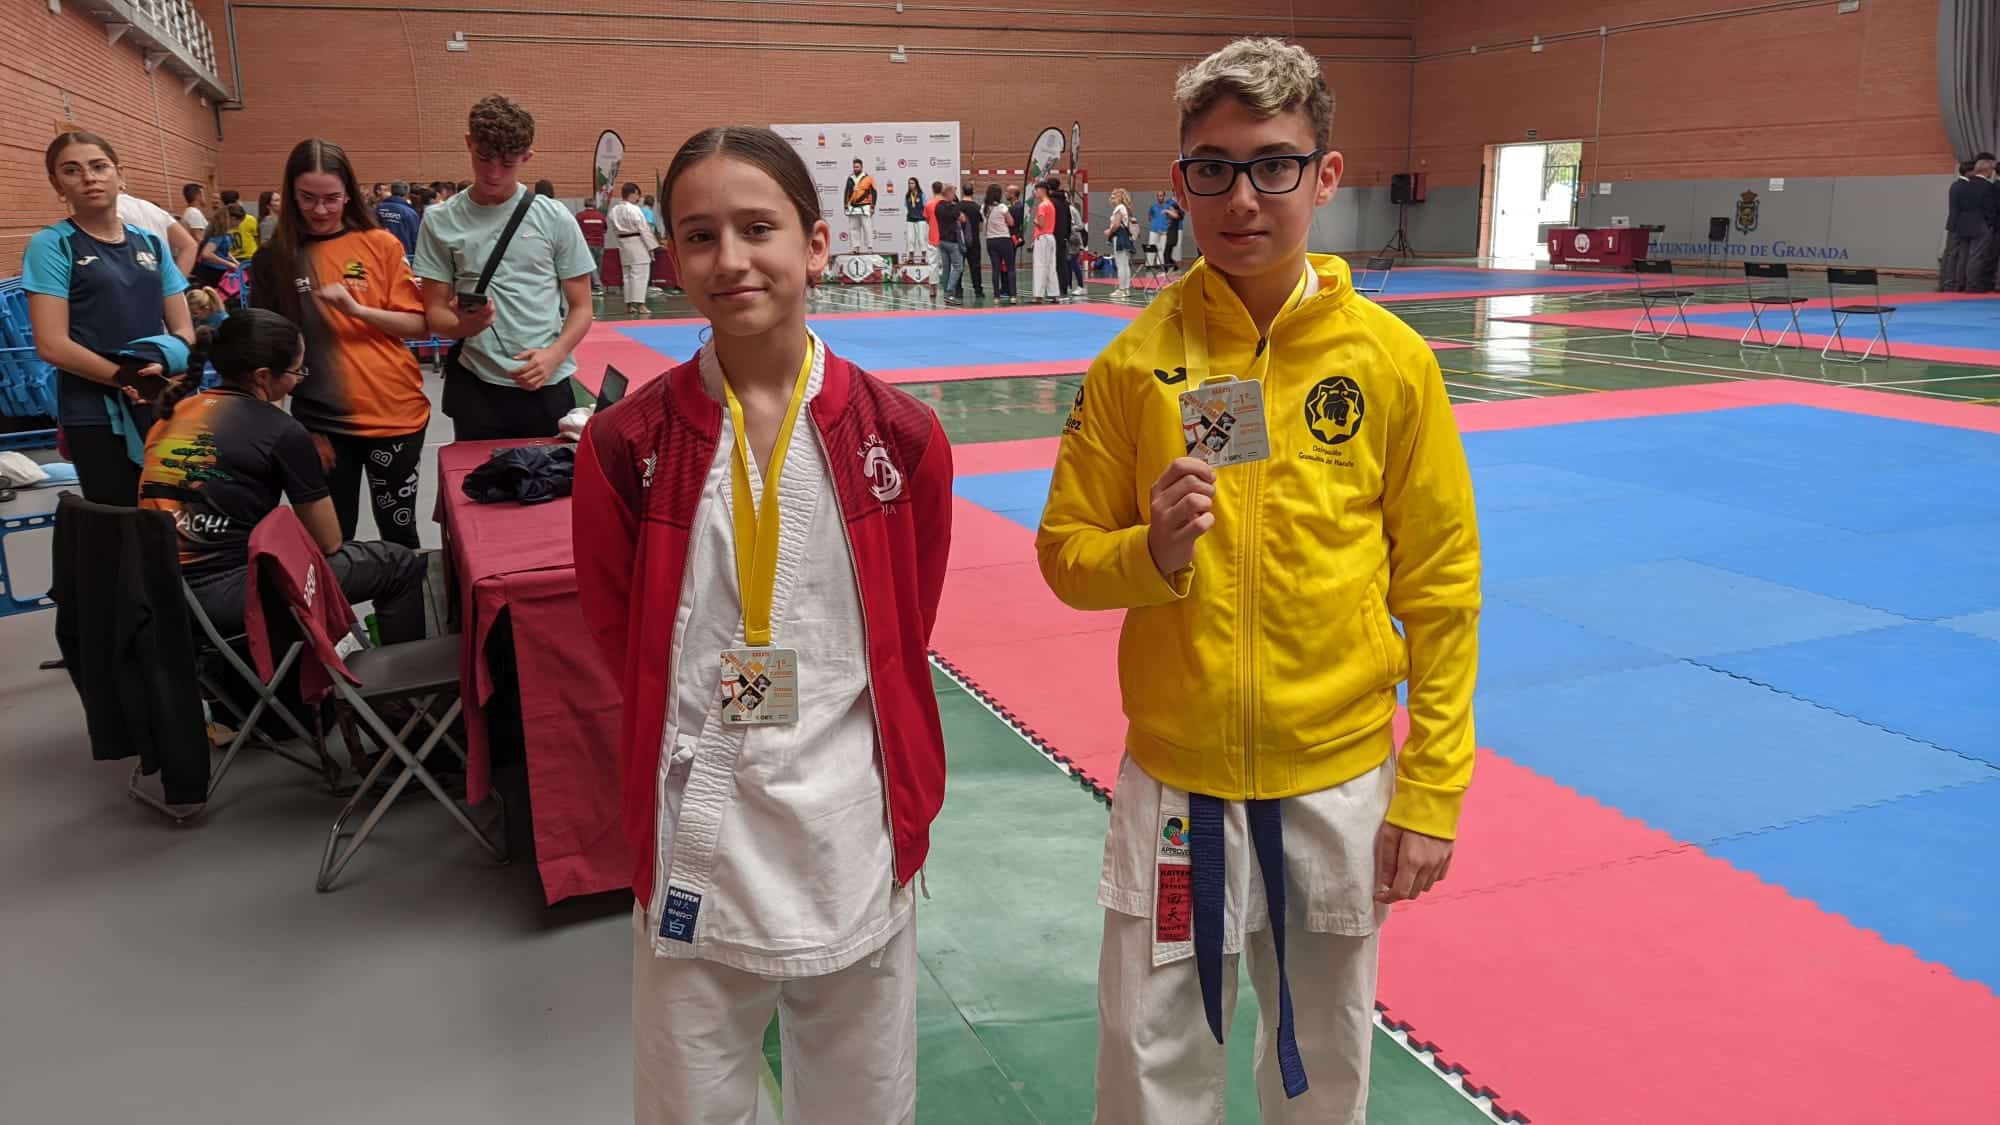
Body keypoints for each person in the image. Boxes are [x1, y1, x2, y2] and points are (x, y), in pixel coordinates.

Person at [1035, 38, 1480, 1124]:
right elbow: (1062, 556)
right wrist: (1152, 556)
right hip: (1180, 793)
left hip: (1334, 787)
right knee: (1151, 1060)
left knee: (1322, 1062)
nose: (1242, 197)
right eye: (1212, 167)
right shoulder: (1134, 365)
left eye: (1272, 164)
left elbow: (1441, 584)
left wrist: (1430, 789)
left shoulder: (1387, 363)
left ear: (1325, 175)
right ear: (1178, 177)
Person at [570, 124, 954, 1125]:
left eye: (757, 228)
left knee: (863, 1099)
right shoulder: (626, 445)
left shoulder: (901, 438)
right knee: (689, 1100)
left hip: (850, 818)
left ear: (815, 244)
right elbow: (623, 640)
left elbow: (903, 626)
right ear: (671, 258)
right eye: (698, 236)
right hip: (699, 820)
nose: (730, 260)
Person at [140, 308, 428, 643]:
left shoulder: (171, 412)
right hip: (229, 593)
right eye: (296, 371)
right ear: (262, 376)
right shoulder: (281, 431)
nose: (299, 379)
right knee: (399, 562)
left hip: (159, 589)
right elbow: (329, 541)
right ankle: (401, 690)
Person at [250, 138, 431, 550]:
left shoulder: (380, 243)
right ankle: (339, 619)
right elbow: (266, 354)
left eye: (331, 198)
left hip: (395, 414)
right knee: (331, 542)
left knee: (399, 538)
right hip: (321, 424)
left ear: (349, 192)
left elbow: (418, 325)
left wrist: (358, 310)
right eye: (308, 198)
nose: (320, 210)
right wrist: (288, 428)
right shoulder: (273, 259)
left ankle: (398, 617)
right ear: (291, 195)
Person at [24, 130, 194, 505]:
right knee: (119, 527)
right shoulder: (51, 245)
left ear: (120, 174)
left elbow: (184, 329)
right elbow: (52, 344)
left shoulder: (150, 243)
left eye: (99, 167)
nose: (88, 178)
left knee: (174, 520)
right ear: (57, 184)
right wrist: (124, 378)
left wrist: (169, 365)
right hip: (95, 412)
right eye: (72, 170)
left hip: (160, 397)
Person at [414, 94, 595, 440]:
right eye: (484, 158)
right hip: (476, 385)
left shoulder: (553, 217)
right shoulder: (440, 220)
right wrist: (462, 325)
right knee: (478, 486)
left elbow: (582, 307)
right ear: (469, 143)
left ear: (527, 157)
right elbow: (435, 311)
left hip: (547, 381)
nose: (494, 173)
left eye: (508, 163)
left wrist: (554, 354)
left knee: (549, 486)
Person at [118, 190, 199, 275]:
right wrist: (177, 284)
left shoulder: (109, 210)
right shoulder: (153, 209)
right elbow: (190, 245)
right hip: (161, 279)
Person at [609, 182, 657, 316]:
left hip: (623, 244)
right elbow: (644, 229)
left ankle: (629, 305)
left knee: (627, 275)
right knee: (640, 274)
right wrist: (651, 247)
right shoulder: (634, 209)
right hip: (637, 243)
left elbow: (614, 229)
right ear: (634, 192)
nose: (638, 198)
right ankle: (641, 305)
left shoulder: (614, 210)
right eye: (637, 195)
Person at [1944, 159, 1986, 293]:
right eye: (1974, 170)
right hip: (1958, 224)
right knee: (1956, 255)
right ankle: (1952, 283)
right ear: (1968, 172)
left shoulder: (1956, 185)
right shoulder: (1963, 186)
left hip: (1955, 223)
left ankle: (1953, 283)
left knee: (1956, 255)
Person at [984, 183, 1018, 305]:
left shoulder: (984, 208)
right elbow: (1011, 222)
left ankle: (996, 296)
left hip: (991, 240)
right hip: (1004, 239)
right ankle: (1013, 296)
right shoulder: (1002, 207)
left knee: (995, 269)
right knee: (1010, 268)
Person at [1970, 153, 1998, 295]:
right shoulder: (1988, 186)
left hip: (1969, 224)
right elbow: (1989, 208)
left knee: (1970, 255)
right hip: (1984, 225)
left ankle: (1970, 283)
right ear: (1987, 170)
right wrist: (1992, 223)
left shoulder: (1967, 183)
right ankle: (1976, 285)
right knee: (1980, 255)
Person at [374, 180, 422, 256]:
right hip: (403, 255)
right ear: (407, 193)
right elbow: (416, 238)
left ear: (391, 191)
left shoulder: (378, 208)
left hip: (380, 252)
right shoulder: (410, 213)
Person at [843, 158, 878, 256]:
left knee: (867, 228)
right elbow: (846, 192)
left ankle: (869, 247)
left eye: (857, 166)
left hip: (865, 206)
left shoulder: (868, 178)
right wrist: (845, 205)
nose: (855, 168)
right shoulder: (850, 178)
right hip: (853, 206)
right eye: (854, 167)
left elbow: (874, 192)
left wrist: (873, 206)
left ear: (861, 167)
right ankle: (856, 247)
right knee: (854, 228)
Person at [1031, 180, 1060, 303]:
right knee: (1051, 266)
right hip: (1050, 237)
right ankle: (1054, 294)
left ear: (1042, 190)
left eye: (1036, 190)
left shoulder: (1042, 205)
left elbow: (1041, 224)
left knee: (1040, 266)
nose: (1035, 193)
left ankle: (1038, 295)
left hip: (1042, 238)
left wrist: (1035, 221)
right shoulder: (1051, 204)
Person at [1105, 187, 1136, 296]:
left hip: (1120, 237)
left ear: (1120, 197)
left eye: (1114, 194)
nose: (1112, 196)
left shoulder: (1119, 208)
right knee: (1124, 264)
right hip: (1125, 237)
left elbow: (1117, 224)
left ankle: (1122, 289)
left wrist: (1109, 231)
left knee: (1120, 264)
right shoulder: (1124, 208)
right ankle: (1125, 289)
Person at [575, 196, 609, 292]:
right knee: (598, 265)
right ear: (594, 205)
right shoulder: (600, 216)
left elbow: (576, 230)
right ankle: (596, 286)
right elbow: (605, 229)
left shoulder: (580, 216)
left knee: (590, 265)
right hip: (600, 243)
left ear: (585, 205)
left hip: (587, 244)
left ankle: (597, 285)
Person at [959, 182, 986, 300]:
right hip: (974, 241)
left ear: (962, 191)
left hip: (960, 241)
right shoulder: (977, 207)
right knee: (975, 267)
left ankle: (958, 291)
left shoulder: (958, 206)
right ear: (973, 192)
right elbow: (981, 227)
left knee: (958, 266)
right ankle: (978, 291)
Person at [903, 177, 927, 263]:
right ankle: (911, 258)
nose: (910, 185)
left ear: (916, 184)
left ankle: (924, 257)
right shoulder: (907, 196)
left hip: (921, 219)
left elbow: (925, 207)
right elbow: (906, 206)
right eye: (909, 183)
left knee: (921, 238)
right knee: (910, 239)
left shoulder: (921, 195)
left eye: (912, 183)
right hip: (910, 219)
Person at [1162, 190, 1185, 267]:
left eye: (1172, 209)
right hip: (1170, 236)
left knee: (1166, 253)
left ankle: (1168, 269)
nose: (1170, 209)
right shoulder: (1172, 219)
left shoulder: (1177, 217)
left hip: (1173, 237)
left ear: (1176, 210)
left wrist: (1167, 211)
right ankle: (1174, 267)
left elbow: (1176, 215)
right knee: (1167, 254)